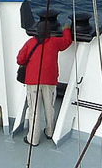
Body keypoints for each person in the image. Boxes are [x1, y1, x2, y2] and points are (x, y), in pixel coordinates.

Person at [16, 11, 75, 147]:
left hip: (32, 82)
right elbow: (67, 42)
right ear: (50, 32)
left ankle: (33, 139)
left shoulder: (30, 43)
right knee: (50, 107)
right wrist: (66, 29)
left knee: (34, 111)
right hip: (50, 80)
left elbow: (20, 60)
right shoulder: (54, 42)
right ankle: (50, 132)